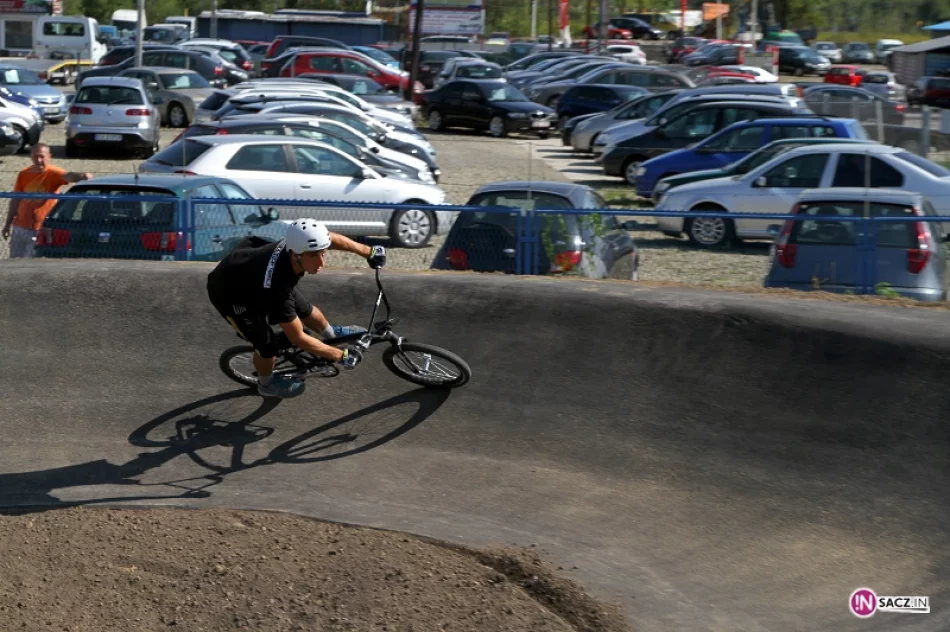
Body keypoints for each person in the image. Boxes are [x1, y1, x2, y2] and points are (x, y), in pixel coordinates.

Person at [207, 219, 387, 399]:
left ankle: (331, 335)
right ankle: (266, 383)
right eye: (314, 256)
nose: (321, 262)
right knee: (266, 345)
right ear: (296, 255)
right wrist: (340, 356)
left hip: (252, 272)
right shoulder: (277, 287)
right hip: (232, 296)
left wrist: (368, 252)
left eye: (322, 254)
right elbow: (298, 338)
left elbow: (329, 238)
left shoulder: (299, 243)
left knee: (308, 311)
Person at [1, 143, 92, 258]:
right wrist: (8, 224)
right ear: (31, 157)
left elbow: (68, 176)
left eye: (42, 157)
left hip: (42, 227)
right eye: (35, 157)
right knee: (15, 260)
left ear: (49, 156)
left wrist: (82, 176)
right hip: (21, 225)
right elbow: (16, 199)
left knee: (30, 263)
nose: (39, 160)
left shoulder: (53, 173)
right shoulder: (24, 174)